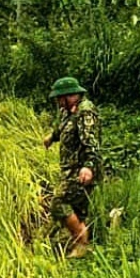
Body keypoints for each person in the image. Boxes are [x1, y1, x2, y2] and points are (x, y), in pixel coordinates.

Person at [42, 77, 102, 258]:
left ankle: (82, 241)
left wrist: (88, 167)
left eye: (61, 98)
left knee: (59, 203)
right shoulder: (68, 110)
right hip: (70, 169)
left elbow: (91, 142)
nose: (58, 102)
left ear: (72, 95)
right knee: (77, 209)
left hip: (81, 169)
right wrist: (51, 138)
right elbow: (63, 128)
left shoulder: (85, 112)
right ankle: (81, 244)